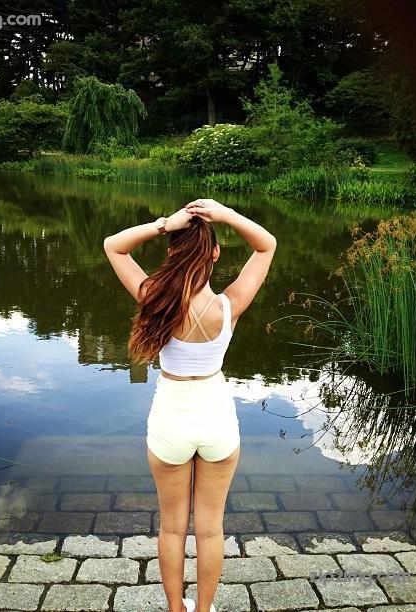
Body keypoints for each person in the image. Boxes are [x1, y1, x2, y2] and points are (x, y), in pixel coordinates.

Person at [103, 198, 277, 612]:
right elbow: (266, 245)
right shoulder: (230, 305)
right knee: (211, 530)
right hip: (216, 422)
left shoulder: (154, 299)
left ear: (171, 252)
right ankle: (203, 611)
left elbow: (113, 246)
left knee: (172, 529)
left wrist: (165, 223)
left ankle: (175, 610)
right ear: (215, 254)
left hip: (171, 422)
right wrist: (226, 214)